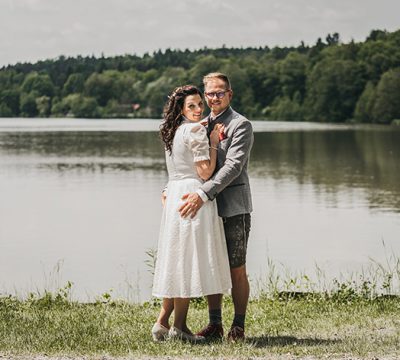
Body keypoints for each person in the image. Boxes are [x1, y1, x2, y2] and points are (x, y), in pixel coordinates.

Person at [151, 85, 232, 343]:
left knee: (177, 256)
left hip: (175, 192)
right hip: (192, 194)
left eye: (200, 104)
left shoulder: (171, 131)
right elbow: (205, 172)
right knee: (186, 260)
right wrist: (213, 143)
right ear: (182, 109)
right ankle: (180, 328)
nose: (198, 110)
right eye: (192, 106)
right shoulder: (196, 130)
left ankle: (162, 323)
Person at [178, 73, 254, 341]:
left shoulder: (241, 125)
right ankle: (215, 324)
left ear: (230, 94)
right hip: (206, 210)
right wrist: (170, 189)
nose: (214, 98)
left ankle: (238, 325)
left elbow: (233, 167)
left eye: (220, 92)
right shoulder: (199, 123)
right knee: (212, 265)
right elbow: (185, 163)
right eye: (210, 93)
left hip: (233, 207)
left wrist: (202, 194)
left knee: (236, 267)